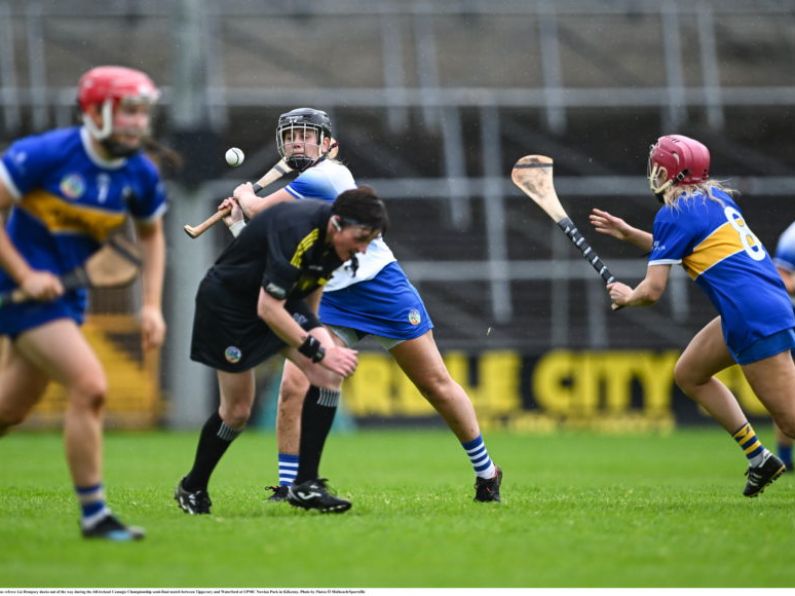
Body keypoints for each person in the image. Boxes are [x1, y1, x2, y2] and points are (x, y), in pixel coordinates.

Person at [175, 107, 502, 515]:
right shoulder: (302, 199)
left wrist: (244, 198)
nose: (297, 142)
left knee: (434, 383)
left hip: (380, 288)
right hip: (326, 292)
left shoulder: (327, 175)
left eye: (307, 136)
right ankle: (294, 483)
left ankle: (487, 472)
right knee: (297, 386)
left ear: (330, 145)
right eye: (291, 136)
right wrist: (241, 221)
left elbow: (264, 214)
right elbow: (275, 250)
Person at [0, 65, 168, 540]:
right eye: (127, 111)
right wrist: (25, 273)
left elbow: (152, 236)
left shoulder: (139, 174)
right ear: (95, 112)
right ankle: (95, 515)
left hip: (63, 296)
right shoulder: (45, 154)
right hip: (16, 288)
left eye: (142, 112)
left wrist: (152, 305)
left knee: (9, 410)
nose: (137, 123)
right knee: (90, 385)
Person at [589, 133, 795, 497]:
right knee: (690, 374)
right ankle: (759, 457)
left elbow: (652, 292)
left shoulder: (673, 214)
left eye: (657, 164)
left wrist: (628, 296)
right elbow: (680, 246)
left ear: (667, 171)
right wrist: (629, 234)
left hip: (752, 316)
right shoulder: (714, 200)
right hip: (755, 307)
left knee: (791, 422)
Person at [174, 186, 388, 515]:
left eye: (369, 241)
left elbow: (310, 298)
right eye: (360, 238)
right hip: (230, 308)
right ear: (337, 224)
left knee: (328, 374)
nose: (362, 248)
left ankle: (306, 485)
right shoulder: (297, 229)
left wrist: (321, 342)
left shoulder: (339, 246)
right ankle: (192, 486)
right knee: (237, 412)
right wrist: (317, 348)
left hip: (277, 302)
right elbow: (267, 309)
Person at [772, 221, 795, 471]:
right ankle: (785, 459)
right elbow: (782, 280)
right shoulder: (792, 235)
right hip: (791, 318)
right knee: (788, 392)